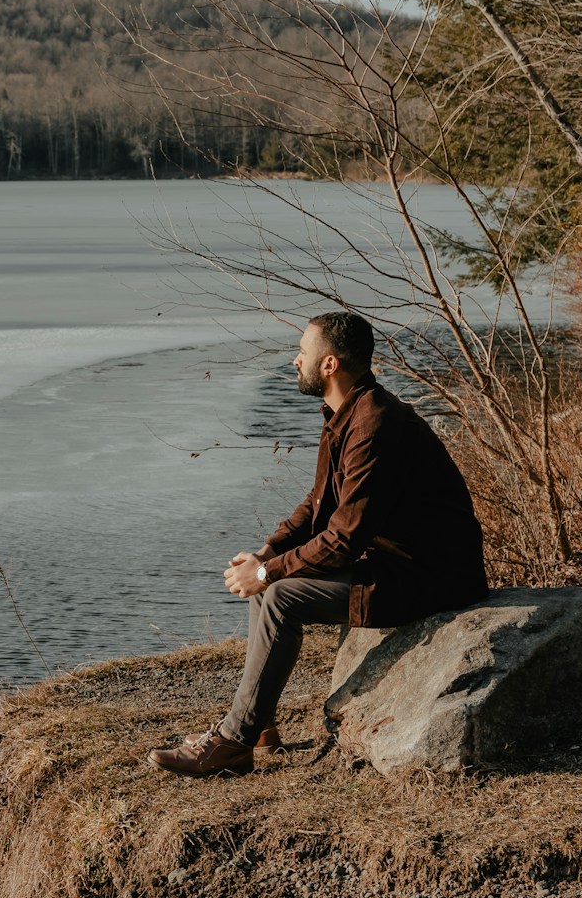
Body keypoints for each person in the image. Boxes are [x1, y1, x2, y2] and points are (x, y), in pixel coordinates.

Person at [146, 310, 488, 777]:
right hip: (394, 564)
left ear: (329, 364)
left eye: (302, 352)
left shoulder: (375, 425)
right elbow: (318, 502)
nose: (295, 360)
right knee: (271, 586)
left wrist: (267, 572)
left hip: (431, 578)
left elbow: (343, 539)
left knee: (280, 596)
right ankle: (257, 726)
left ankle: (232, 742)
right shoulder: (347, 415)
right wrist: (268, 553)